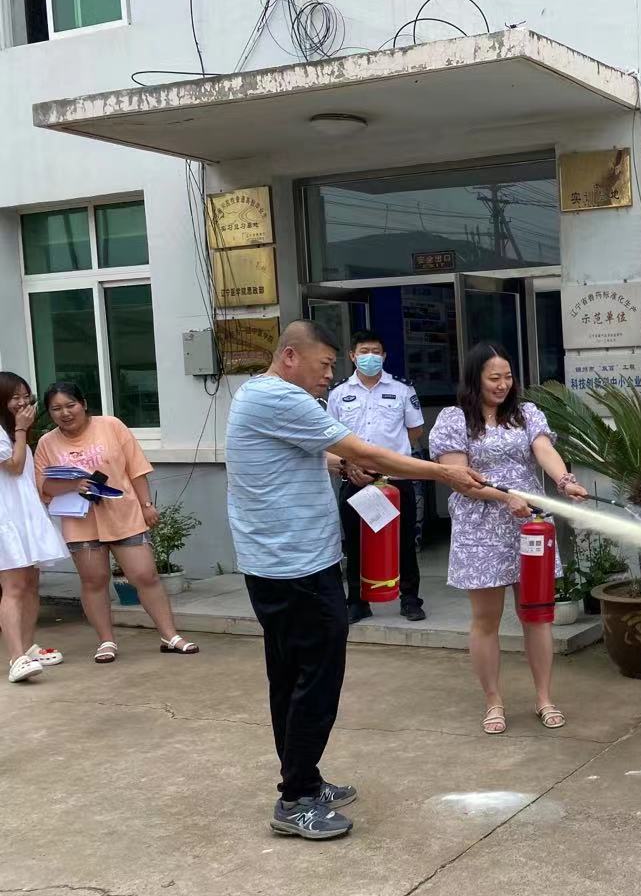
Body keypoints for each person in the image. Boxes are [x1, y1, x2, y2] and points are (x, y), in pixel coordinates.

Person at [226, 320, 489, 841]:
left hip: (282, 563)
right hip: (295, 567)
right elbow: (367, 452)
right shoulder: (283, 397)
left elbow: (313, 451)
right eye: (325, 364)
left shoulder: (256, 394)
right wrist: (445, 474)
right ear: (290, 356)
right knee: (315, 679)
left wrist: (338, 465)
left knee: (291, 676)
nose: (331, 375)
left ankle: (303, 778)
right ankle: (295, 800)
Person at [428, 343, 587, 736]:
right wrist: (504, 497)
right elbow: (458, 478)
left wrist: (564, 480)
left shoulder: (527, 413)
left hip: (530, 525)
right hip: (479, 528)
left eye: (508, 377)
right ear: (475, 379)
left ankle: (544, 698)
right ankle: (493, 701)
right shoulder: (453, 420)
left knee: (537, 614)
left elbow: (543, 449)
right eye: (494, 378)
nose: (503, 384)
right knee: (486, 619)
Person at [35, 382, 198, 662]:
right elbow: (43, 486)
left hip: (123, 513)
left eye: (71, 405)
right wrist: (73, 485)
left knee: (145, 575)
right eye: (56, 409)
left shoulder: (111, 425)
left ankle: (170, 636)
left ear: (84, 404)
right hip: (80, 521)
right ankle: (106, 641)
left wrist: (147, 505)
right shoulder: (46, 443)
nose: (65, 413)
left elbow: (136, 468)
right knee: (94, 580)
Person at [326, 330, 427, 624]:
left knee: (404, 541)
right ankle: (358, 601)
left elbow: (415, 430)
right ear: (352, 356)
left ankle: (410, 599)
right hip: (355, 476)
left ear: (383, 356)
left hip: (395, 479)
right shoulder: (339, 393)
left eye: (375, 351)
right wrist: (350, 464)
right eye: (364, 351)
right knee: (355, 541)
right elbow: (330, 436)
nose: (370, 357)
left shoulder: (402, 389)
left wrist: (390, 458)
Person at [0, 373, 69, 684]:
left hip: (25, 517)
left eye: (25, 395)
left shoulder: (13, 432)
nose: (22, 402)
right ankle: (16, 658)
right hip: (6, 521)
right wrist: (20, 429)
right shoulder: (9, 432)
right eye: (14, 397)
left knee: (30, 584)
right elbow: (14, 467)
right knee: (13, 587)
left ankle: (27, 647)